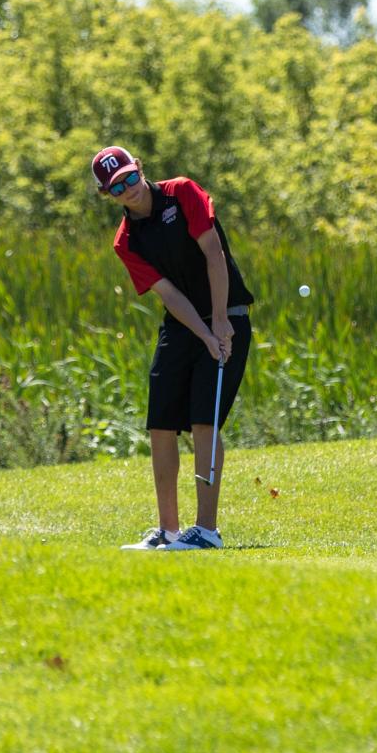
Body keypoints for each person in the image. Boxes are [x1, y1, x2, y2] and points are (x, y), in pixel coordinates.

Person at [90, 145, 255, 552]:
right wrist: (202, 333)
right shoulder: (126, 241)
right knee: (160, 424)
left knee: (203, 420)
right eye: (116, 187)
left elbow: (214, 254)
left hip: (227, 312)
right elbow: (168, 294)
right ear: (107, 195)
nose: (128, 188)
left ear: (140, 169)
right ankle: (169, 532)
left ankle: (207, 531)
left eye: (130, 177)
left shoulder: (182, 193)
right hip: (183, 325)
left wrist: (219, 323)